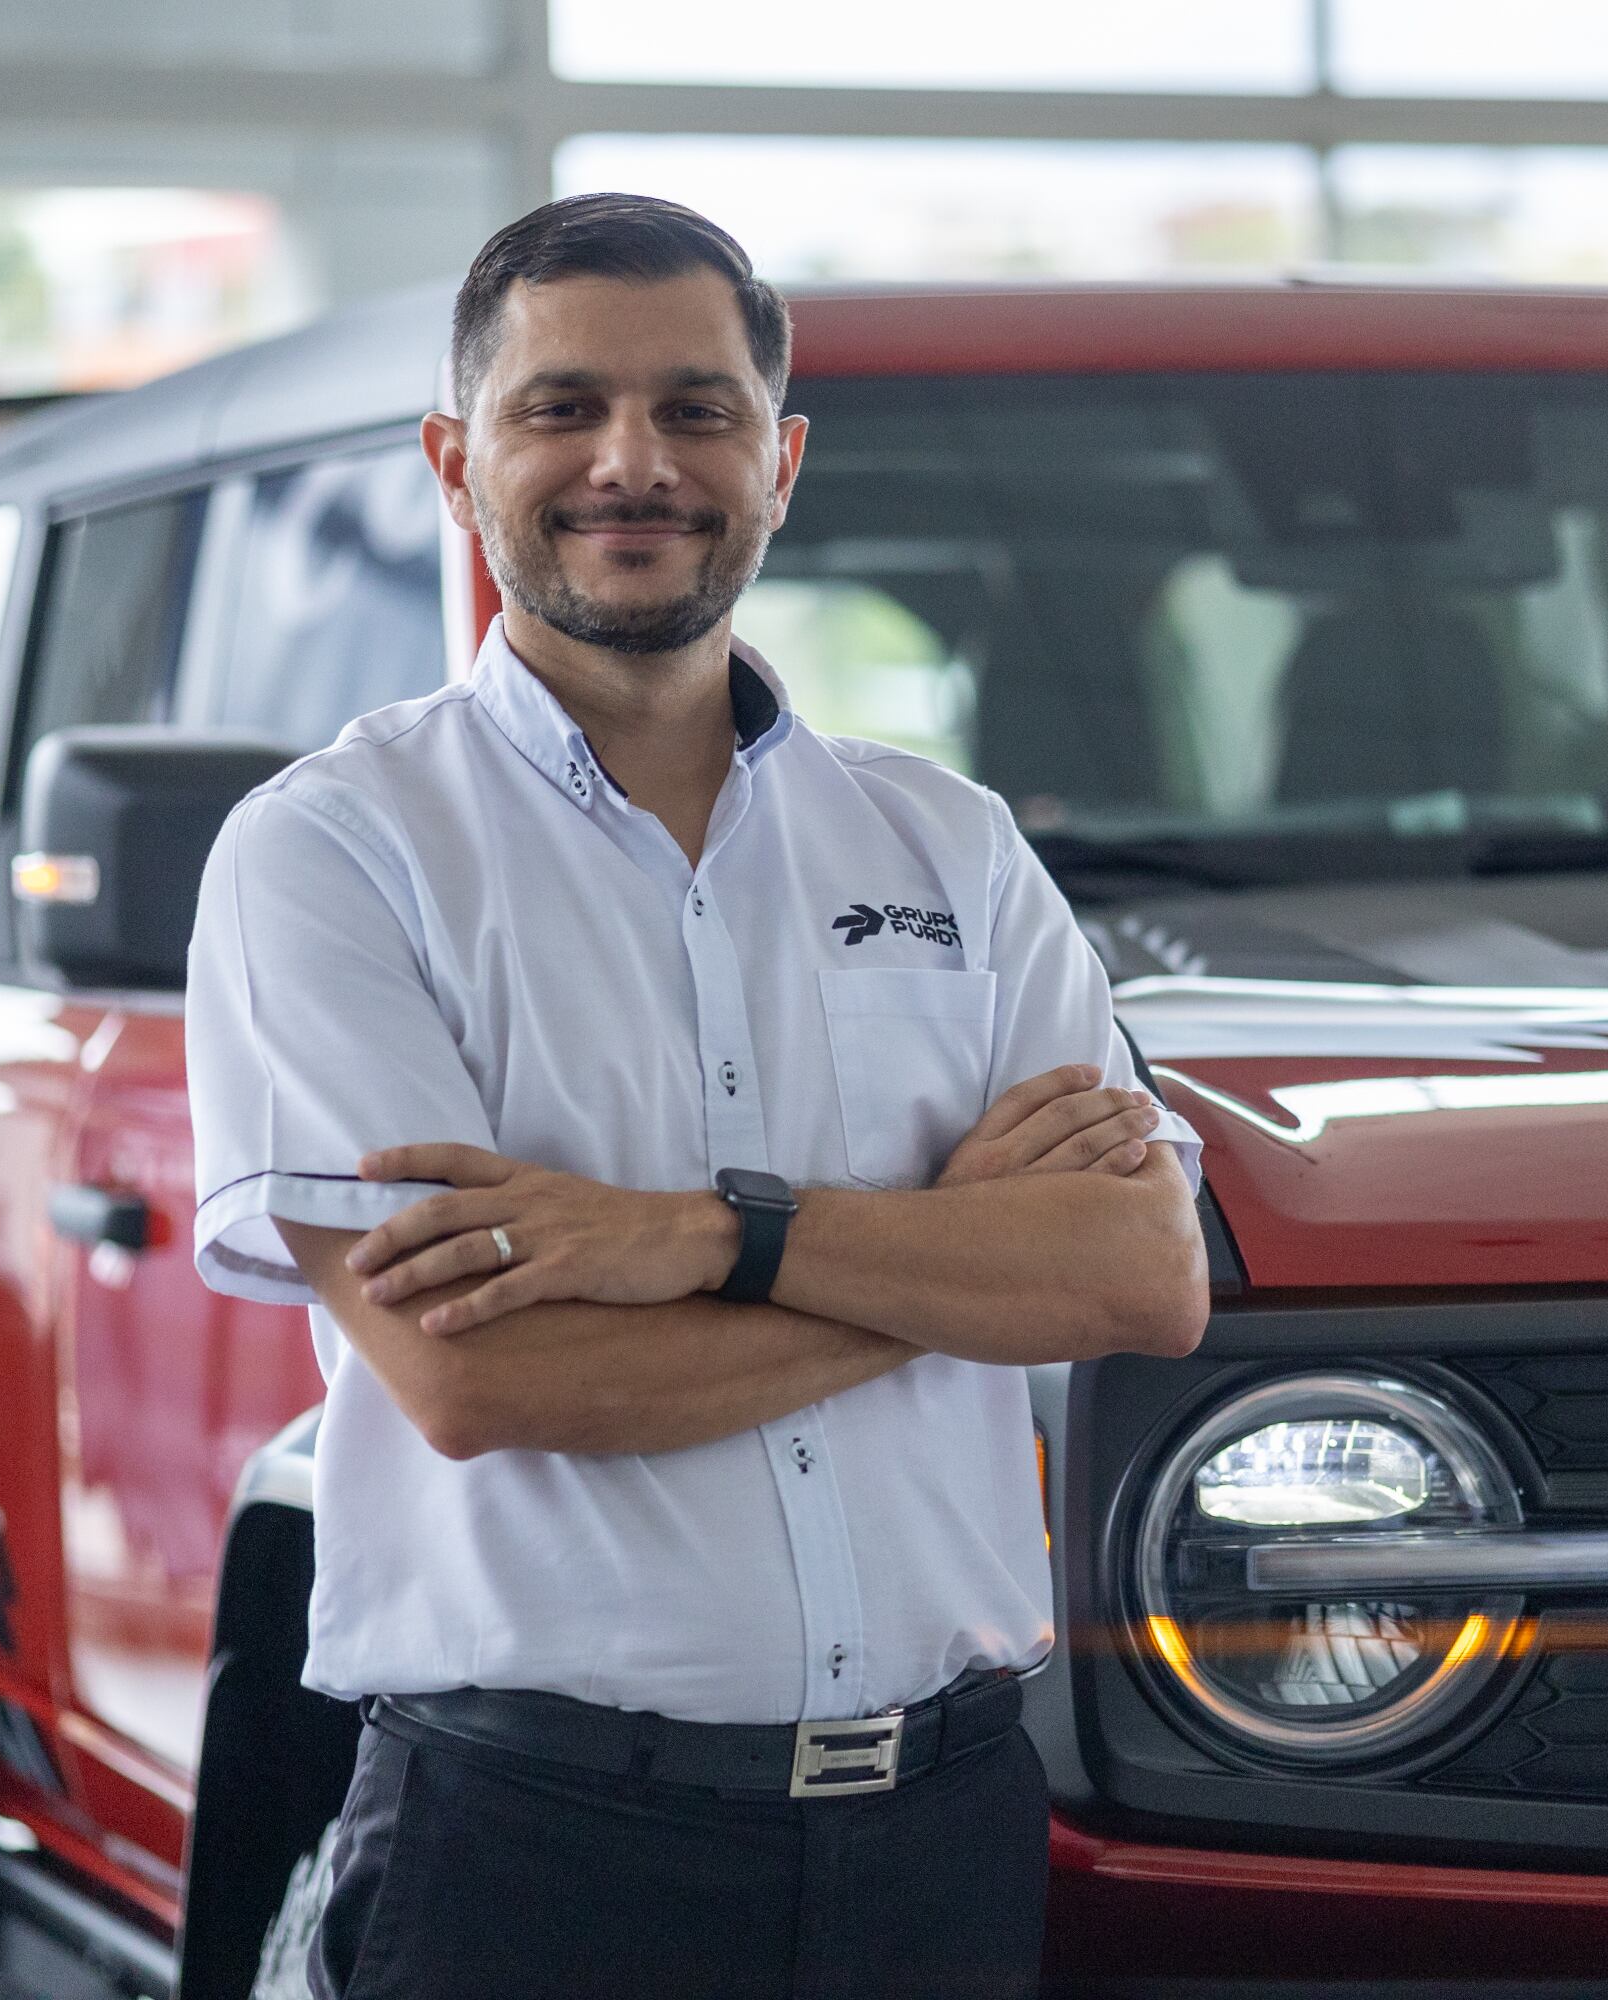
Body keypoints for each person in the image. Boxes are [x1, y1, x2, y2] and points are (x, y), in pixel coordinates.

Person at [186, 192, 1209, 2000]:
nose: (633, 462)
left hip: (944, 1839)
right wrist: (954, 1262)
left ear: (781, 463)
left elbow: (1142, 1277)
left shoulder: (949, 845)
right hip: (540, 1855)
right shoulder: (336, 854)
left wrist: (701, 1241)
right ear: (456, 463)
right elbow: (484, 1380)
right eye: (562, 407)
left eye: (697, 409)